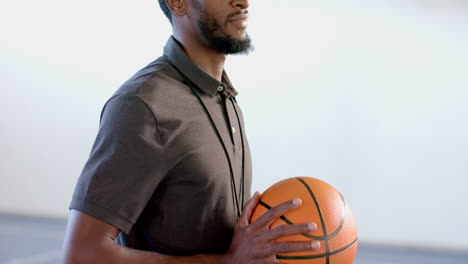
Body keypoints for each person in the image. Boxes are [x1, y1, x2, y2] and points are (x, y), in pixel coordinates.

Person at [62, 0, 321, 263]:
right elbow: (82, 254)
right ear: (177, 3)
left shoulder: (225, 98)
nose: (243, 2)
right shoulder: (142, 106)